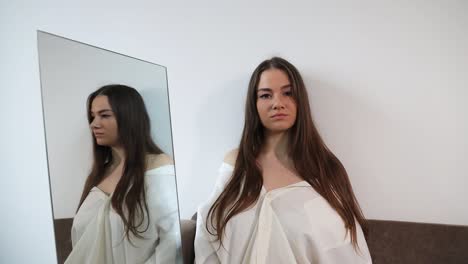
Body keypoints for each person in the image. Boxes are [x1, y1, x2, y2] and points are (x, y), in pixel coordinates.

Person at [195, 57, 372, 263]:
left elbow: (344, 245)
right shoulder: (236, 163)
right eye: (265, 95)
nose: (277, 103)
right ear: (254, 104)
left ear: (300, 101)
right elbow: (208, 226)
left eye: (288, 93)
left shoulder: (324, 167)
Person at [66, 84, 181, 264]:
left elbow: (172, 239)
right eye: (92, 116)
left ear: (129, 117)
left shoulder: (158, 167)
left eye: (104, 115)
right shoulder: (99, 174)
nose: (94, 124)